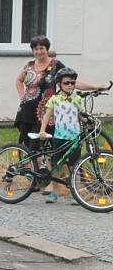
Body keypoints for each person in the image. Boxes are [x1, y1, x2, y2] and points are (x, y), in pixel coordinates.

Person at [14, 36, 105, 149]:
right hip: (25, 112)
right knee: (28, 146)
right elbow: (19, 80)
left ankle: (42, 165)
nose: (38, 51)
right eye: (35, 49)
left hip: (45, 112)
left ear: (47, 49)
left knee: (37, 146)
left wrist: (95, 87)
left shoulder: (55, 65)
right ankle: (30, 166)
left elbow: (72, 82)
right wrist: (22, 97)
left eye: (41, 48)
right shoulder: (29, 65)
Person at [39, 67, 84, 203]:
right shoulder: (55, 99)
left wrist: (87, 120)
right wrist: (42, 130)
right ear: (60, 84)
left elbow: (81, 116)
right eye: (66, 83)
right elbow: (47, 115)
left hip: (74, 138)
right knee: (56, 166)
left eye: (72, 83)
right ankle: (54, 192)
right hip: (59, 137)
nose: (70, 85)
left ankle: (75, 194)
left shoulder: (77, 99)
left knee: (74, 166)